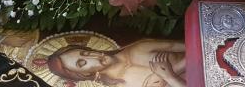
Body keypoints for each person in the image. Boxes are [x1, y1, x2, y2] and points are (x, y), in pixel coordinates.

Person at [43, 41, 186, 87]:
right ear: (84, 74)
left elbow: (195, 43)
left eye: (85, 53)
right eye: (83, 63)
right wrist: (170, 77)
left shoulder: (140, 47)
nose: (94, 57)